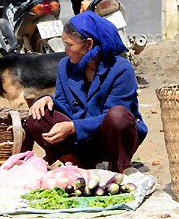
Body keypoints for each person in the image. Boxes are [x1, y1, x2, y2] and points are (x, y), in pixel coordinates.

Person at [27, 11, 147, 173]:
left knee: (119, 115)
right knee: (37, 117)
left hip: (110, 139)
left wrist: (74, 126)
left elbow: (115, 115)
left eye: (69, 44)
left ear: (89, 44)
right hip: (81, 143)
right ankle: (76, 166)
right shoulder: (65, 66)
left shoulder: (121, 69)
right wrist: (47, 100)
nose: (65, 49)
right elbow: (64, 105)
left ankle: (121, 165)